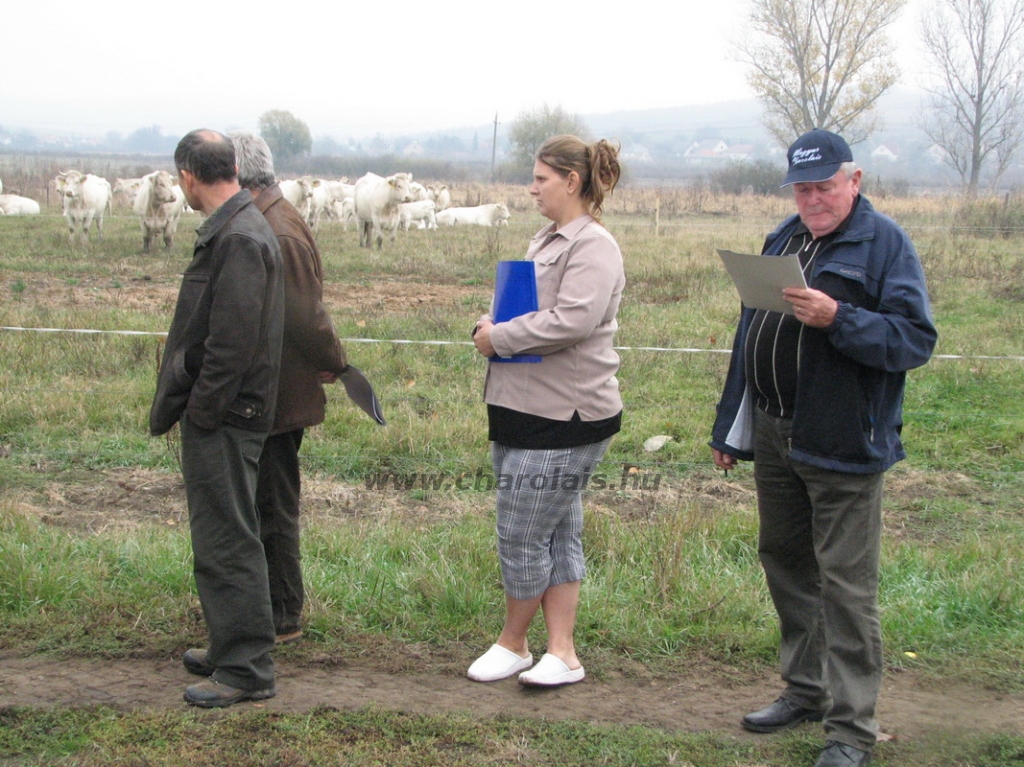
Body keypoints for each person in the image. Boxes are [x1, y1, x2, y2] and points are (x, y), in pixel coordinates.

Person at [710, 129, 937, 767]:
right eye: (802, 188)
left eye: (824, 186)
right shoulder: (784, 237)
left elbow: (915, 341)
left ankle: (851, 731)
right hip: (778, 433)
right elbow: (749, 334)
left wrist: (840, 319)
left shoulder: (885, 244)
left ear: (854, 180)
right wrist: (732, 424)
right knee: (785, 562)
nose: (813, 199)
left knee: (846, 587)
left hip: (843, 442)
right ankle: (804, 691)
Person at [469, 134, 625, 687]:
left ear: (572, 181)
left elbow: (571, 322)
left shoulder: (594, 246)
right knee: (558, 530)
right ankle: (563, 653)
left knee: (521, 529)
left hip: (569, 415)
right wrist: (490, 326)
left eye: (540, 178)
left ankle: (513, 644)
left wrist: (501, 337)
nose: (531, 187)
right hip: (524, 407)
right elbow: (530, 310)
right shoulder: (546, 238)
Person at [150, 129, 285, 708]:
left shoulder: (240, 238)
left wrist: (202, 413)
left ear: (186, 176)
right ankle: (230, 645)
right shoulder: (238, 228)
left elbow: (231, 346)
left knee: (228, 539)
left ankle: (247, 669)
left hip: (227, 417)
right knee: (221, 535)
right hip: (227, 413)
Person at [229, 131, 349, 646]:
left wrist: (335, 363)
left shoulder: (277, 232)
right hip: (275, 389)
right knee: (266, 503)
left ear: (237, 178)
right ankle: (273, 608)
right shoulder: (271, 217)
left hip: (279, 395)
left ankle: (283, 617)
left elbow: (306, 315)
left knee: (274, 506)